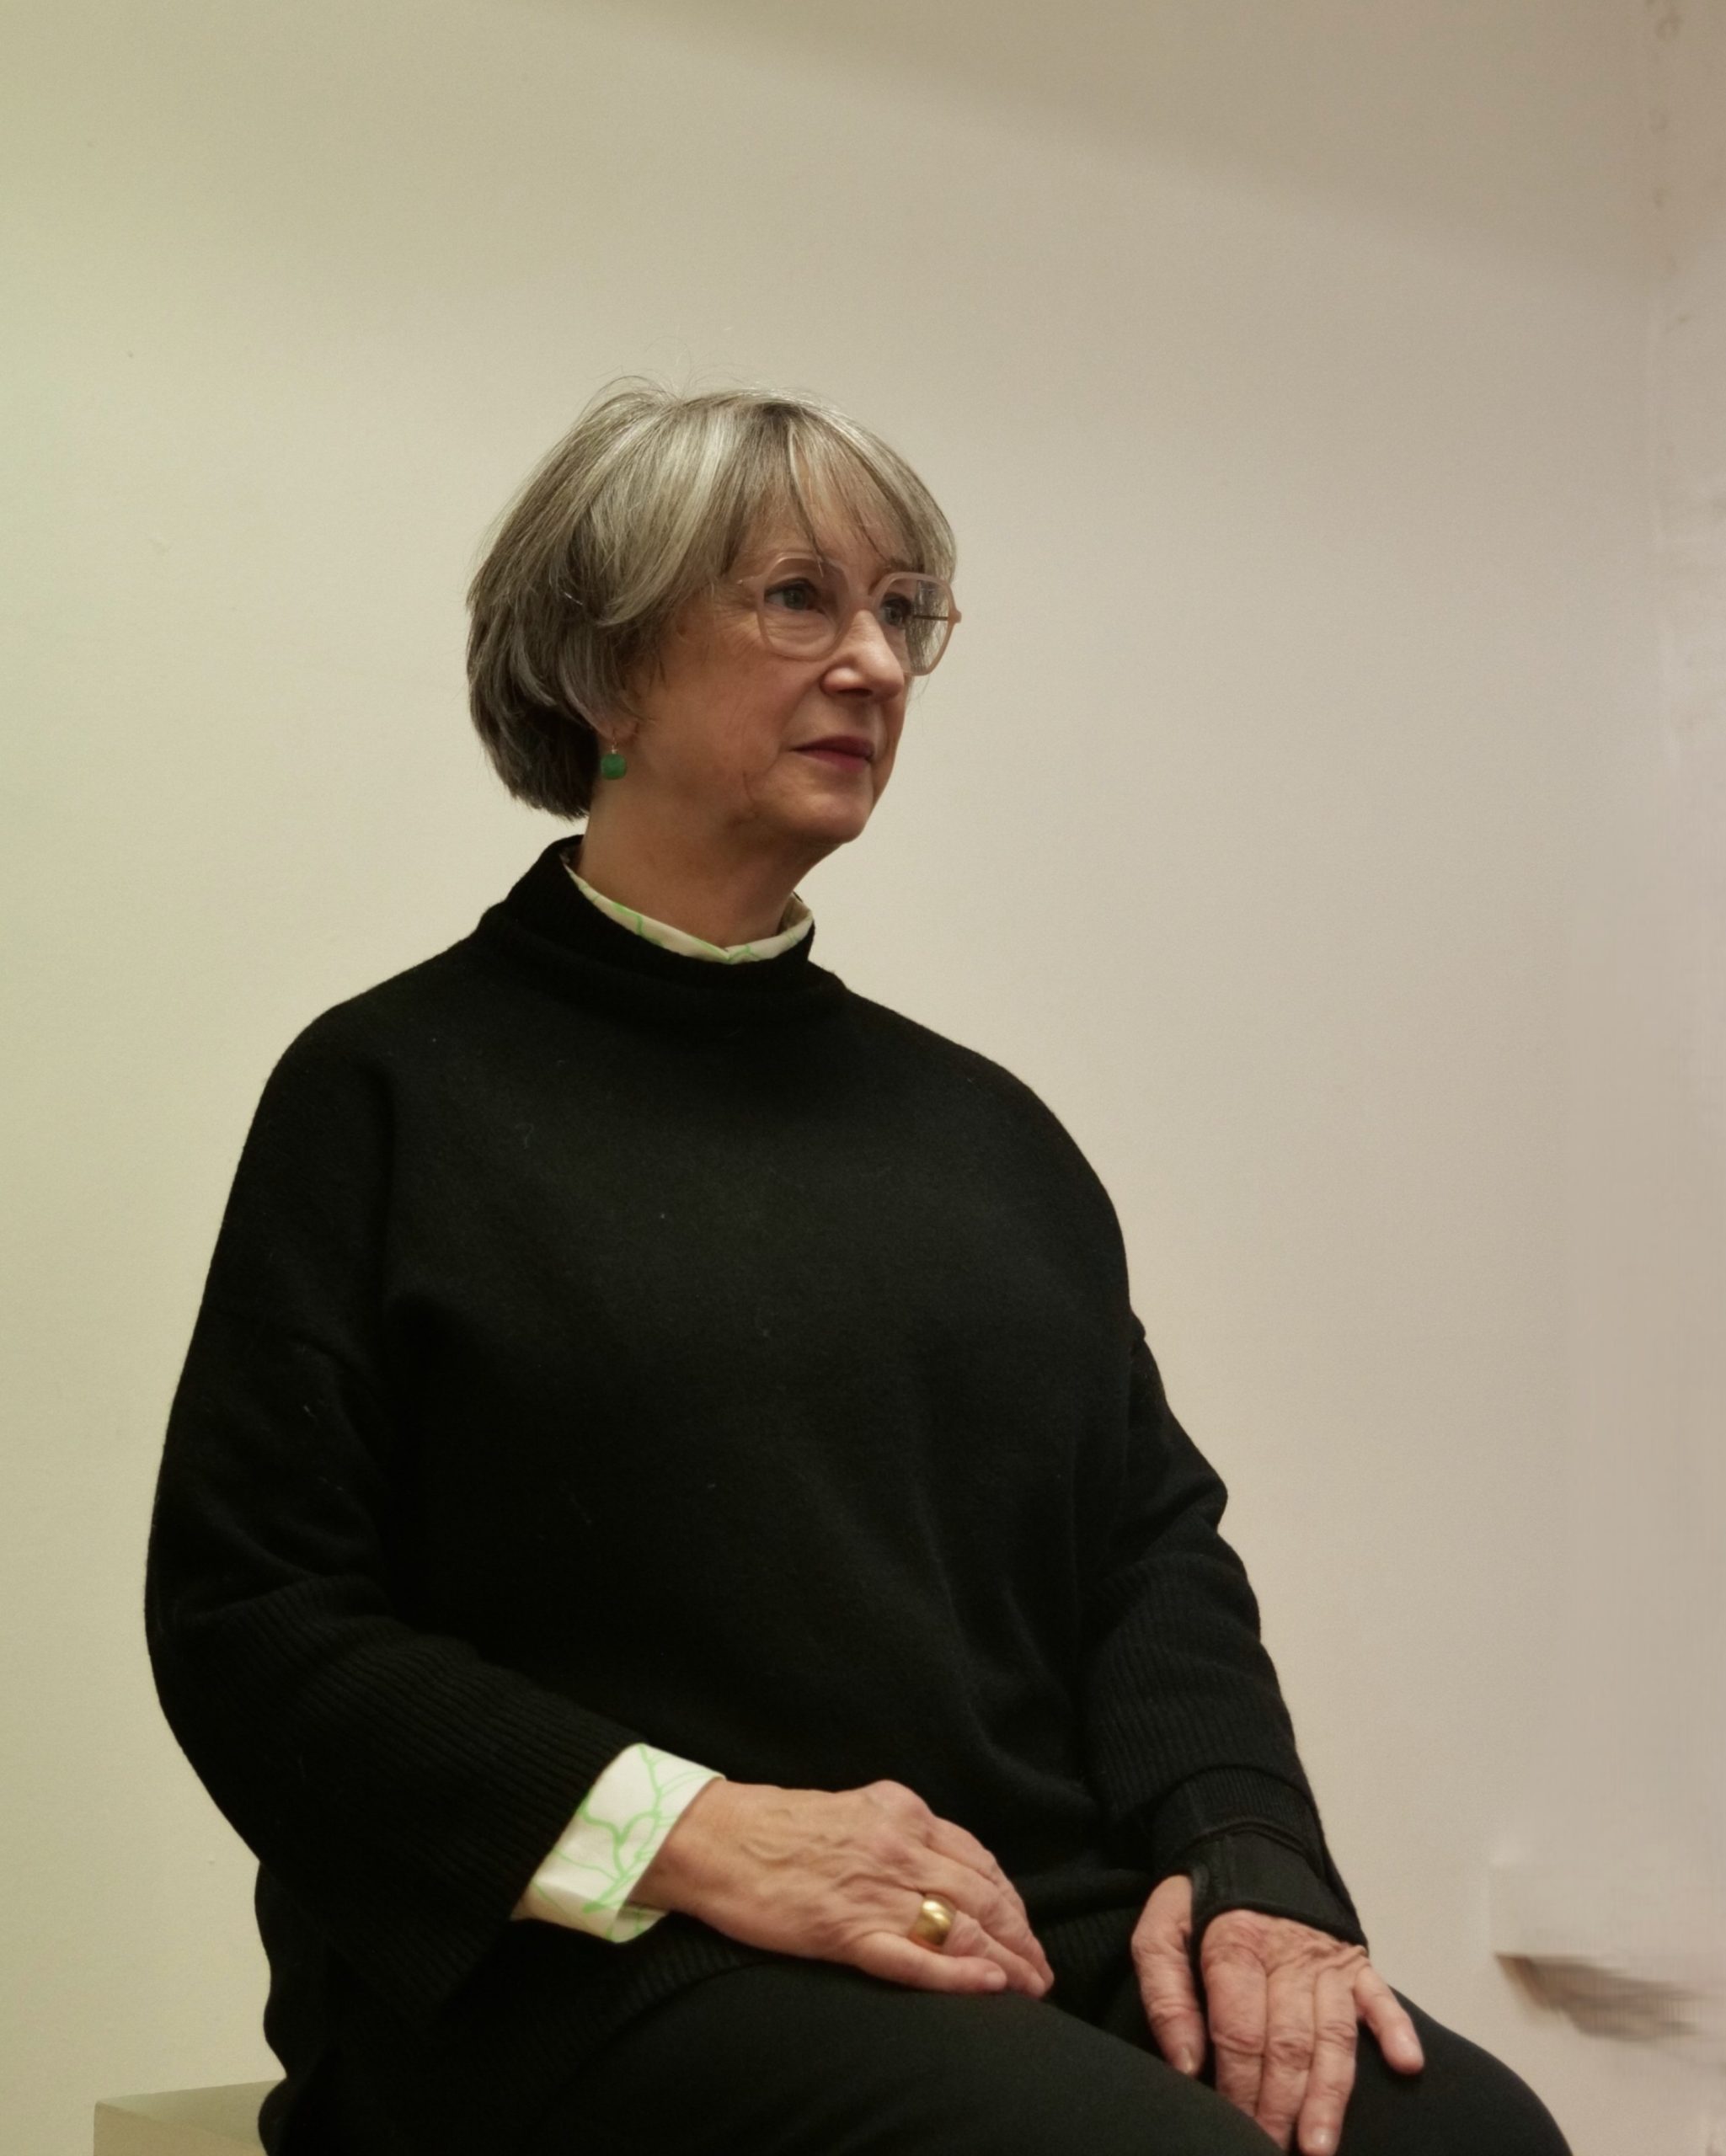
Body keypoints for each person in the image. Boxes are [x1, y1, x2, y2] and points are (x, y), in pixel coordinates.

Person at [144, 379, 1573, 2156]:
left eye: (904, 610)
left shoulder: (986, 1134)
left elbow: (1149, 1556)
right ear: (601, 670)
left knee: (1465, 2138)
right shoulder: (386, 1094)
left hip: (995, 1925)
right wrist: (696, 1832)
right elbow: (254, 1619)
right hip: (588, 1964)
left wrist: (1247, 1865)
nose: (875, 664)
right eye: (797, 599)